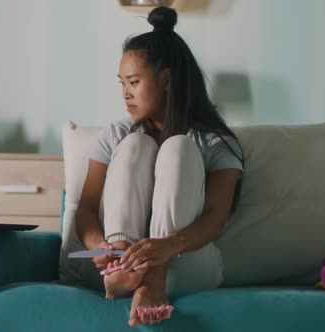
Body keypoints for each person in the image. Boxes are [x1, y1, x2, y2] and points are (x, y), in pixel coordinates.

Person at [74, 6, 244, 327]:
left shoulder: (215, 142)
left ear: (165, 79)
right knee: (136, 144)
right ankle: (126, 270)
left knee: (178, 146)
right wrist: (102, 246)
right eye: (122, 83)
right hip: (122, 261)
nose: (126, 94)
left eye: (134, 82)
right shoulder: (115, 135)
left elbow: (215, 219)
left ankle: (153, 282)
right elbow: (85, 209)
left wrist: (165, 249)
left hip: (186, 260)